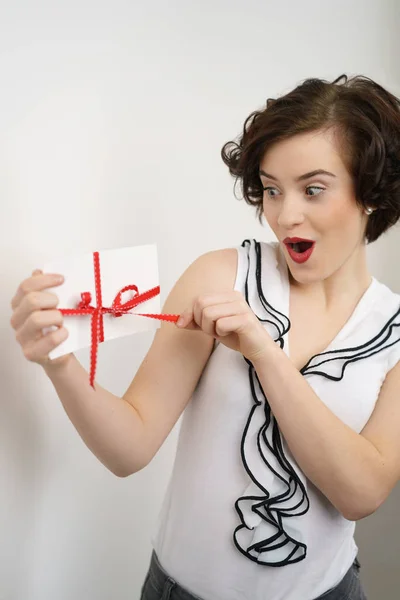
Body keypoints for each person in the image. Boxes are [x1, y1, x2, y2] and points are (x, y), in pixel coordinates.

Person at [10, 73, 400, 600]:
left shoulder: (393, 330)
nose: (285, 216)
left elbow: (361, 492)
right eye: (271, 189)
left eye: (313, 189)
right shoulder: (220, 276)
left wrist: (264, 353)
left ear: (371, 191)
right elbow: (129, 448)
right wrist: (59, 363)